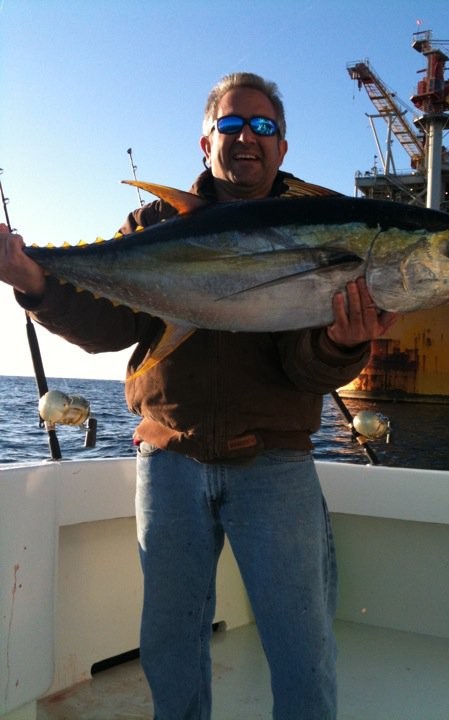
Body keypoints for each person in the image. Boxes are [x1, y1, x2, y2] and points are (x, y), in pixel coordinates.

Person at [0, 72, 395, 719]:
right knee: (170, 648)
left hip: (275, 464)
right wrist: (31, 280)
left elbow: (304, 368)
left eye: (263, 126)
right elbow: (109, 326)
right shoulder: (154, 222)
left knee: (303, 649)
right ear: (206, 140)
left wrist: (345, 345)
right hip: (168, 460)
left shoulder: (317, 227)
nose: (247, 138)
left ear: (283, 148)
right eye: (232, 125)